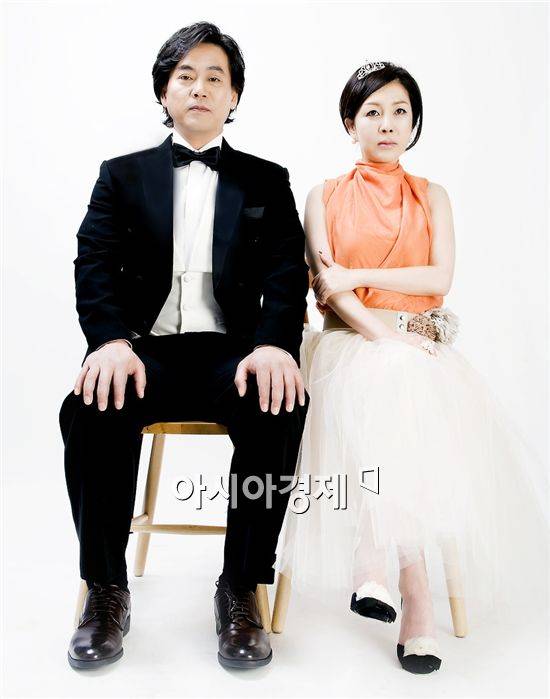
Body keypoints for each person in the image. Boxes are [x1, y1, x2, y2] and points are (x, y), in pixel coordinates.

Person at [277, 60, 548, 674]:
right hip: (349, 346)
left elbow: (438, 277)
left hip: (421, 349)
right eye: (372, 112)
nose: (388, 124)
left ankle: (375, 559)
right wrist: (384, 337)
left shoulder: (434, 195)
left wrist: (361, 274)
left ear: (415, 122)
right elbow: (330, 290)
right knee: (391, 379)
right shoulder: (324, 195)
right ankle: (416, 597)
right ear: (350, 123)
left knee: (402, 391)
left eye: (400, 111)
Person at [59, 21, 310, 670]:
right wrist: (109, 340)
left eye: (215, 78)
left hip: (234, 355)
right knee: (92, 405)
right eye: (185, 76)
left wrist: (275, 344)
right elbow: (93, 262)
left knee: (280, 403)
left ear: (234, 96)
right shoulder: (120, 176)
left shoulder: (266, 180)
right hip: (144, 352)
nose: (200, 88)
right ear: (164, 91)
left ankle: (241, 587)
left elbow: (287, 272)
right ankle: (105, 590)